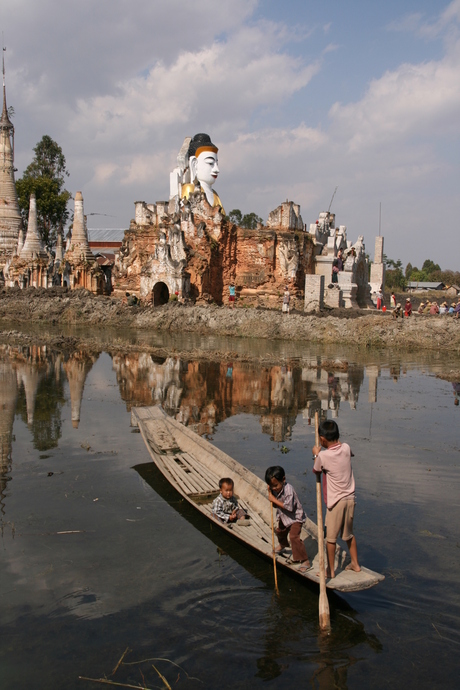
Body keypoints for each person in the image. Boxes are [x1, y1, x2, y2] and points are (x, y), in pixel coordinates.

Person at [312, 419, 361, 579]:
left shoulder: (323, 456)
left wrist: (316, 453)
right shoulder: (346, 448)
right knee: (349, 535)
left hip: (336, 503)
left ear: (322, 440)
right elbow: (344, 451)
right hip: (350, 498)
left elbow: (316, 470)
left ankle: (330, 571)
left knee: (330, 539)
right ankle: (355, 564)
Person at [265, 465, 311, 572]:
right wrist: (271, 493)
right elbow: (276, 505)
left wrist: (272, 499)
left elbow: (289, 507)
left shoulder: (289, 489)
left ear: (283, 479)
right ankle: (282, 544)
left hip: (295, 517)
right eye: (271, 486)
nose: (274, 488)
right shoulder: (273, 489)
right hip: (283, 516)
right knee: (280, 531)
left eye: (276, 485)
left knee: (293, 536)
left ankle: (304, 560)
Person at [181, 133, 225, 212]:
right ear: (194, 164)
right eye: (210, 163)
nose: (216, 169)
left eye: (216, 164)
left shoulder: (215, 195)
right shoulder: (190, 189)